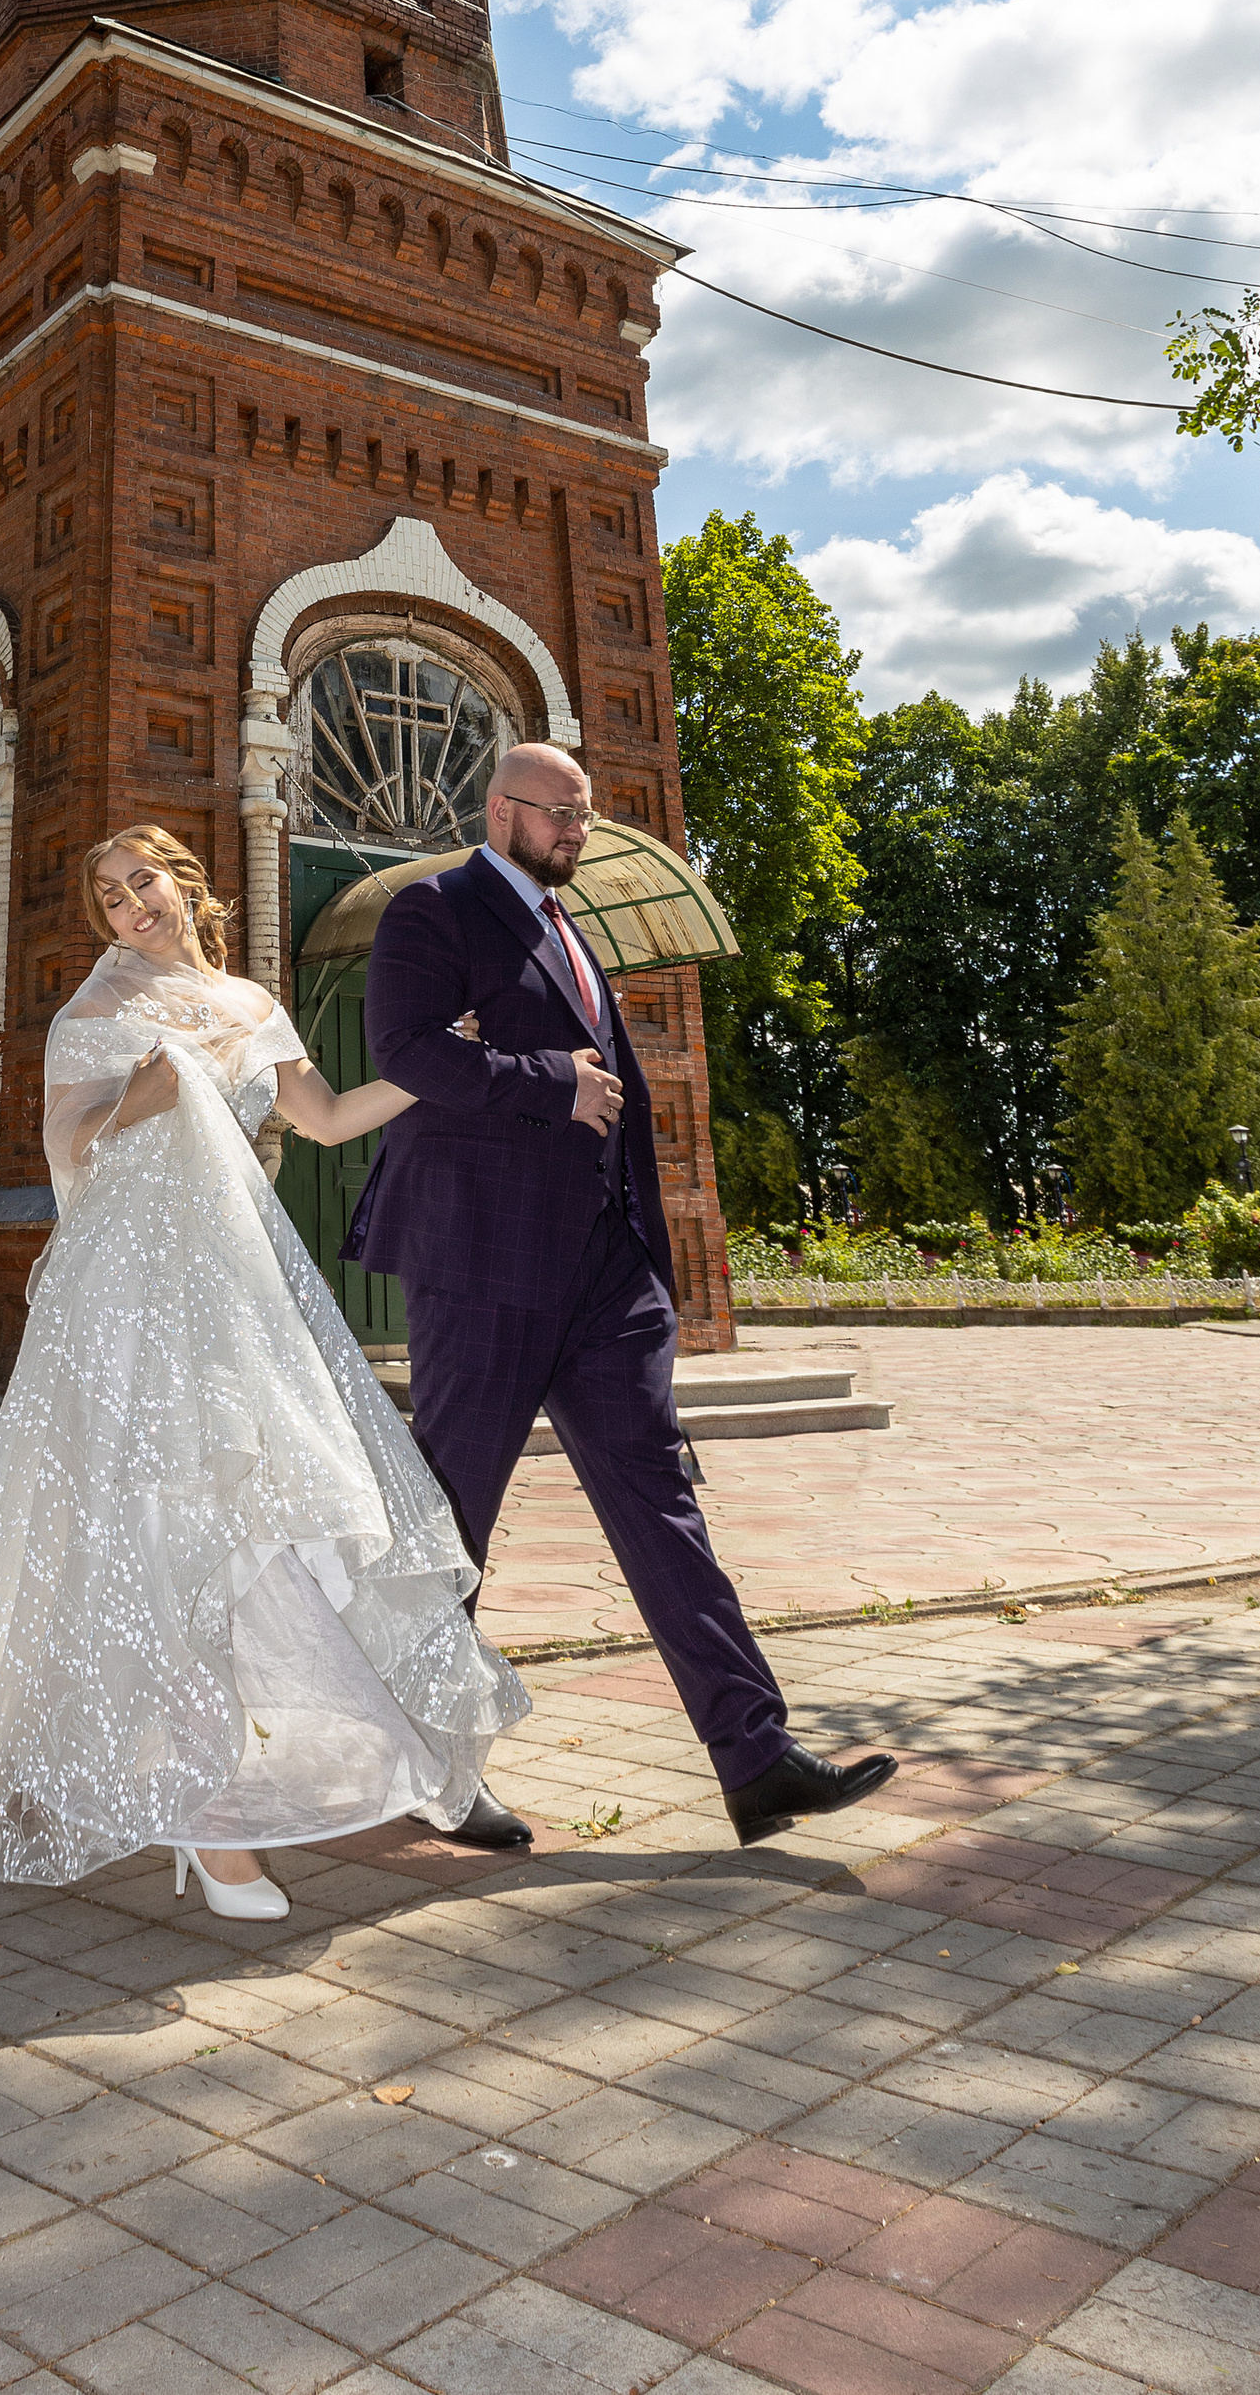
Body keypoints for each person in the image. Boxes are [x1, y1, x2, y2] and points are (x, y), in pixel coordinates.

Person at [0, 824, 521, 1920]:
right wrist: (132, 1104)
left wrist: (439, 1058)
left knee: (292, 1524)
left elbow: (331, 1117)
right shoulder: (90, 1016)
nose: (127, 907)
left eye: (140, 882)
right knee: (155, 1535)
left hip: (239, 1298)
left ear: (185, 883)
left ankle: (394, 1757)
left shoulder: (254, 1006)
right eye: (106, 894)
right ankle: (207, 1824)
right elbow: (67, 1153)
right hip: (129, 1309)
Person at [356, 742, 897, 1854]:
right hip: (485, 1266)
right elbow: (405, 1053)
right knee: (452, 1525)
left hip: (604, 1276)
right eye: (561, 815)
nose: (578, 833)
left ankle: (756, 1758)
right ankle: (435, 1769)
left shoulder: (574, 928)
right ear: (502, 809)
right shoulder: (434, 910)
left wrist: (651, 1261)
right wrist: (547, 1080)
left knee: (662, 1505)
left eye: (586, 817)